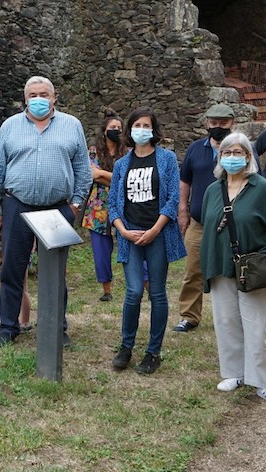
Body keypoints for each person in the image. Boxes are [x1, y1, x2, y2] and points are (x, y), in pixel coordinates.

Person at [0, 76, 92, 348]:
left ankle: (57, 327)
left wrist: (76, 203)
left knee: (54, 272)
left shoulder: (71, 126)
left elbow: (83, 169)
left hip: (57, 207)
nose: (39, 99)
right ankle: (9, 327)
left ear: (54, 97)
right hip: (17, 205)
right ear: (25, 99)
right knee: (12, 268)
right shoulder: (10, 126)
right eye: (33, 94)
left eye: (44, 94)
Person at [200, 132, 266, 407]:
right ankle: (233, 373)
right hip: (219, 263)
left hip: (252, 266)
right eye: (227, 153)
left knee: (256, 325)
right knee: (226, 321)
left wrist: (262, 253)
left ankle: (263, 383)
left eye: (238, 153)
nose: (232, 158)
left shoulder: (261, 188)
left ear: (249, 157)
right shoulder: (212, 190)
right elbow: (207, 223)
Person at [108, 107, 186, 374]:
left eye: (146, 125)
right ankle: (126, 347)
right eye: (136, 125)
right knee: (132, 292)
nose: (141, 130)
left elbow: (173, 200)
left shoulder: (166, 159)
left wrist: (154, 230)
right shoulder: (121, 164)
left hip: (158, 234)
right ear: (129, 130)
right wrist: (124, 231)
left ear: (154, 130)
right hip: (130, 234)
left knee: (157, 292)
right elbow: (113, 206)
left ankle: (153, 352)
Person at [174, 103, 236, 333]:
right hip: (199, 223)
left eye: (223, 123)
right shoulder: (195, 149)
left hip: (232, 223)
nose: (218, 127)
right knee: (192, 271)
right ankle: (189, 316)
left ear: (232, 123)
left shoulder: (241, 150)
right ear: (207, 123)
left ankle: (231, 316)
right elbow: (185, 181)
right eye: (214, 123)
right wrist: (183, 210)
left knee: (231, 269)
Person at [83, 109, 127, 302]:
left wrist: (103, 175)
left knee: (131, 244)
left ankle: (145, 283)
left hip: (125, 204)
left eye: (119, 128)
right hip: (98, 208)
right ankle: (106, 290)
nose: (116, 130)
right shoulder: (92, 152)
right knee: (101, 250)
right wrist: (114, 178)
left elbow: (125, 179)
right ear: (104, 131)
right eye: (112, 127)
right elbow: (91, 175)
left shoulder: (128, 152)